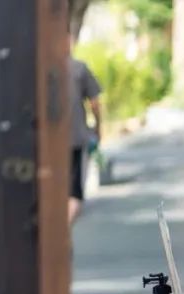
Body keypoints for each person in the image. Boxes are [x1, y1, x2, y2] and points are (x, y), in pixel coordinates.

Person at [68, 50, 102, 225]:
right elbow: (95, 103)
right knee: (74, 194)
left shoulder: (39, 68)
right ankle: (63, 231)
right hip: (75, 137)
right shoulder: (79, 68)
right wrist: (98, 127)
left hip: (46, 144)